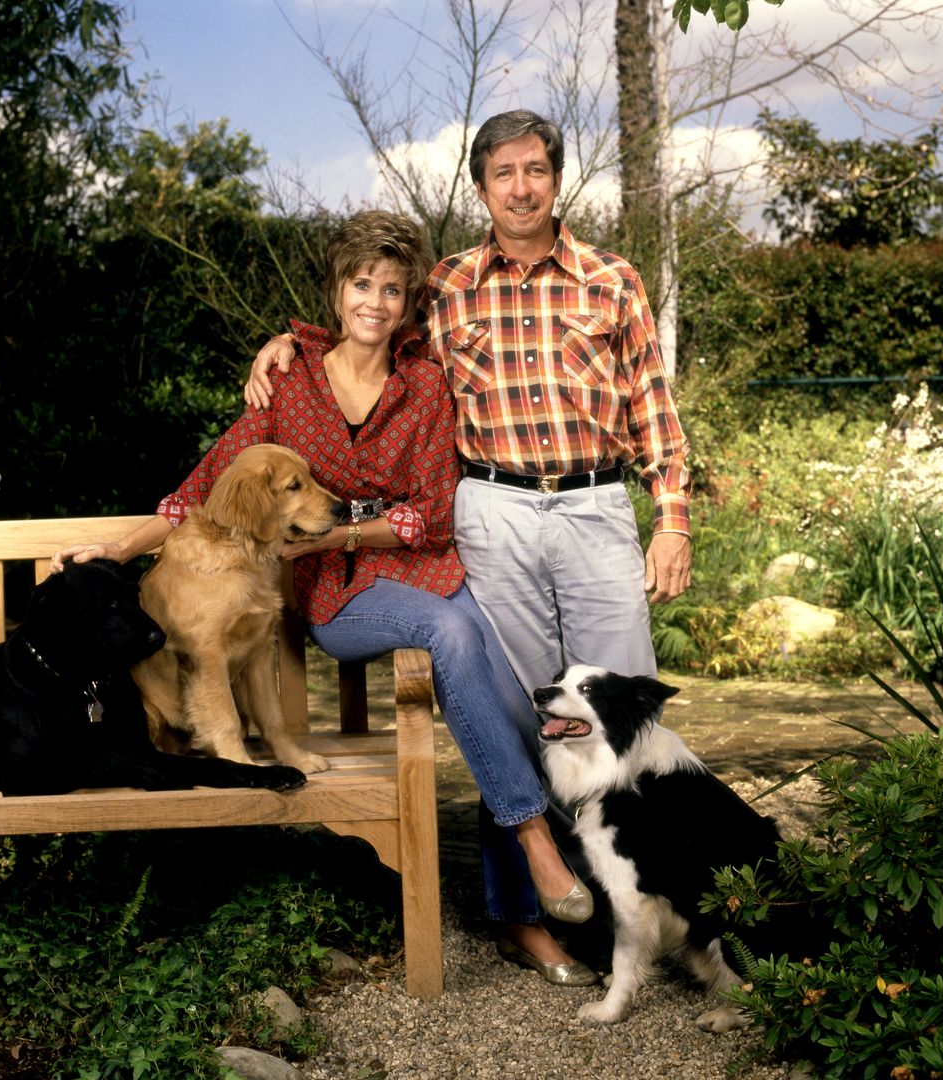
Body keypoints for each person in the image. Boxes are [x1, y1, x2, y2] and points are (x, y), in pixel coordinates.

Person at [53, 209, 599, 986]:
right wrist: (116, 549)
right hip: (339, 600)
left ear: (408, 304)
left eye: (392, 289)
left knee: (514, 700)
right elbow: (205, 485)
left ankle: (523, 918)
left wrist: (344, 532)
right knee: (454, 636)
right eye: (360, 284)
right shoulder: (290, 380)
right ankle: (536, 845)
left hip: (427, 572)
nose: (374, 301)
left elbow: (435, 514)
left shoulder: (423, 386)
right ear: (338, 291)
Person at [247, 111, 693, 967]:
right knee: (521, 713)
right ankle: (527, 916)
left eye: (535, 170)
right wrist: (285, 343)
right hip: (492, 511)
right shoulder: (447, 286)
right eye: (503, 174)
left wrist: (670, 517)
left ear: (555, 178)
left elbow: (654, 410)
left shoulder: (612, 279)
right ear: (480, 185)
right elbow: (362, 339)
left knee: (623, 711)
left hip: (596, 505)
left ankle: (649, 912)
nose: (520, 187)